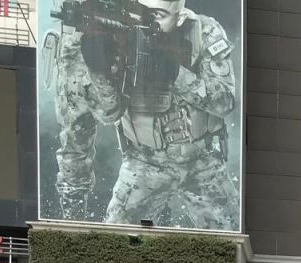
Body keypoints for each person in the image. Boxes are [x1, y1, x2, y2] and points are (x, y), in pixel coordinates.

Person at [75, 0, 239, 228]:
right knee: (115, 241)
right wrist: (98, 70)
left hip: (203, 160)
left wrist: (176, 74)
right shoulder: (118, 36)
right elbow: (108, 114)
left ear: (179, 17)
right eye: (139, 12)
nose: (145, 22)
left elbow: (226, 102)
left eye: (157, 15)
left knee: (230, 241)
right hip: (145, 161)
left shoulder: (204, 30)